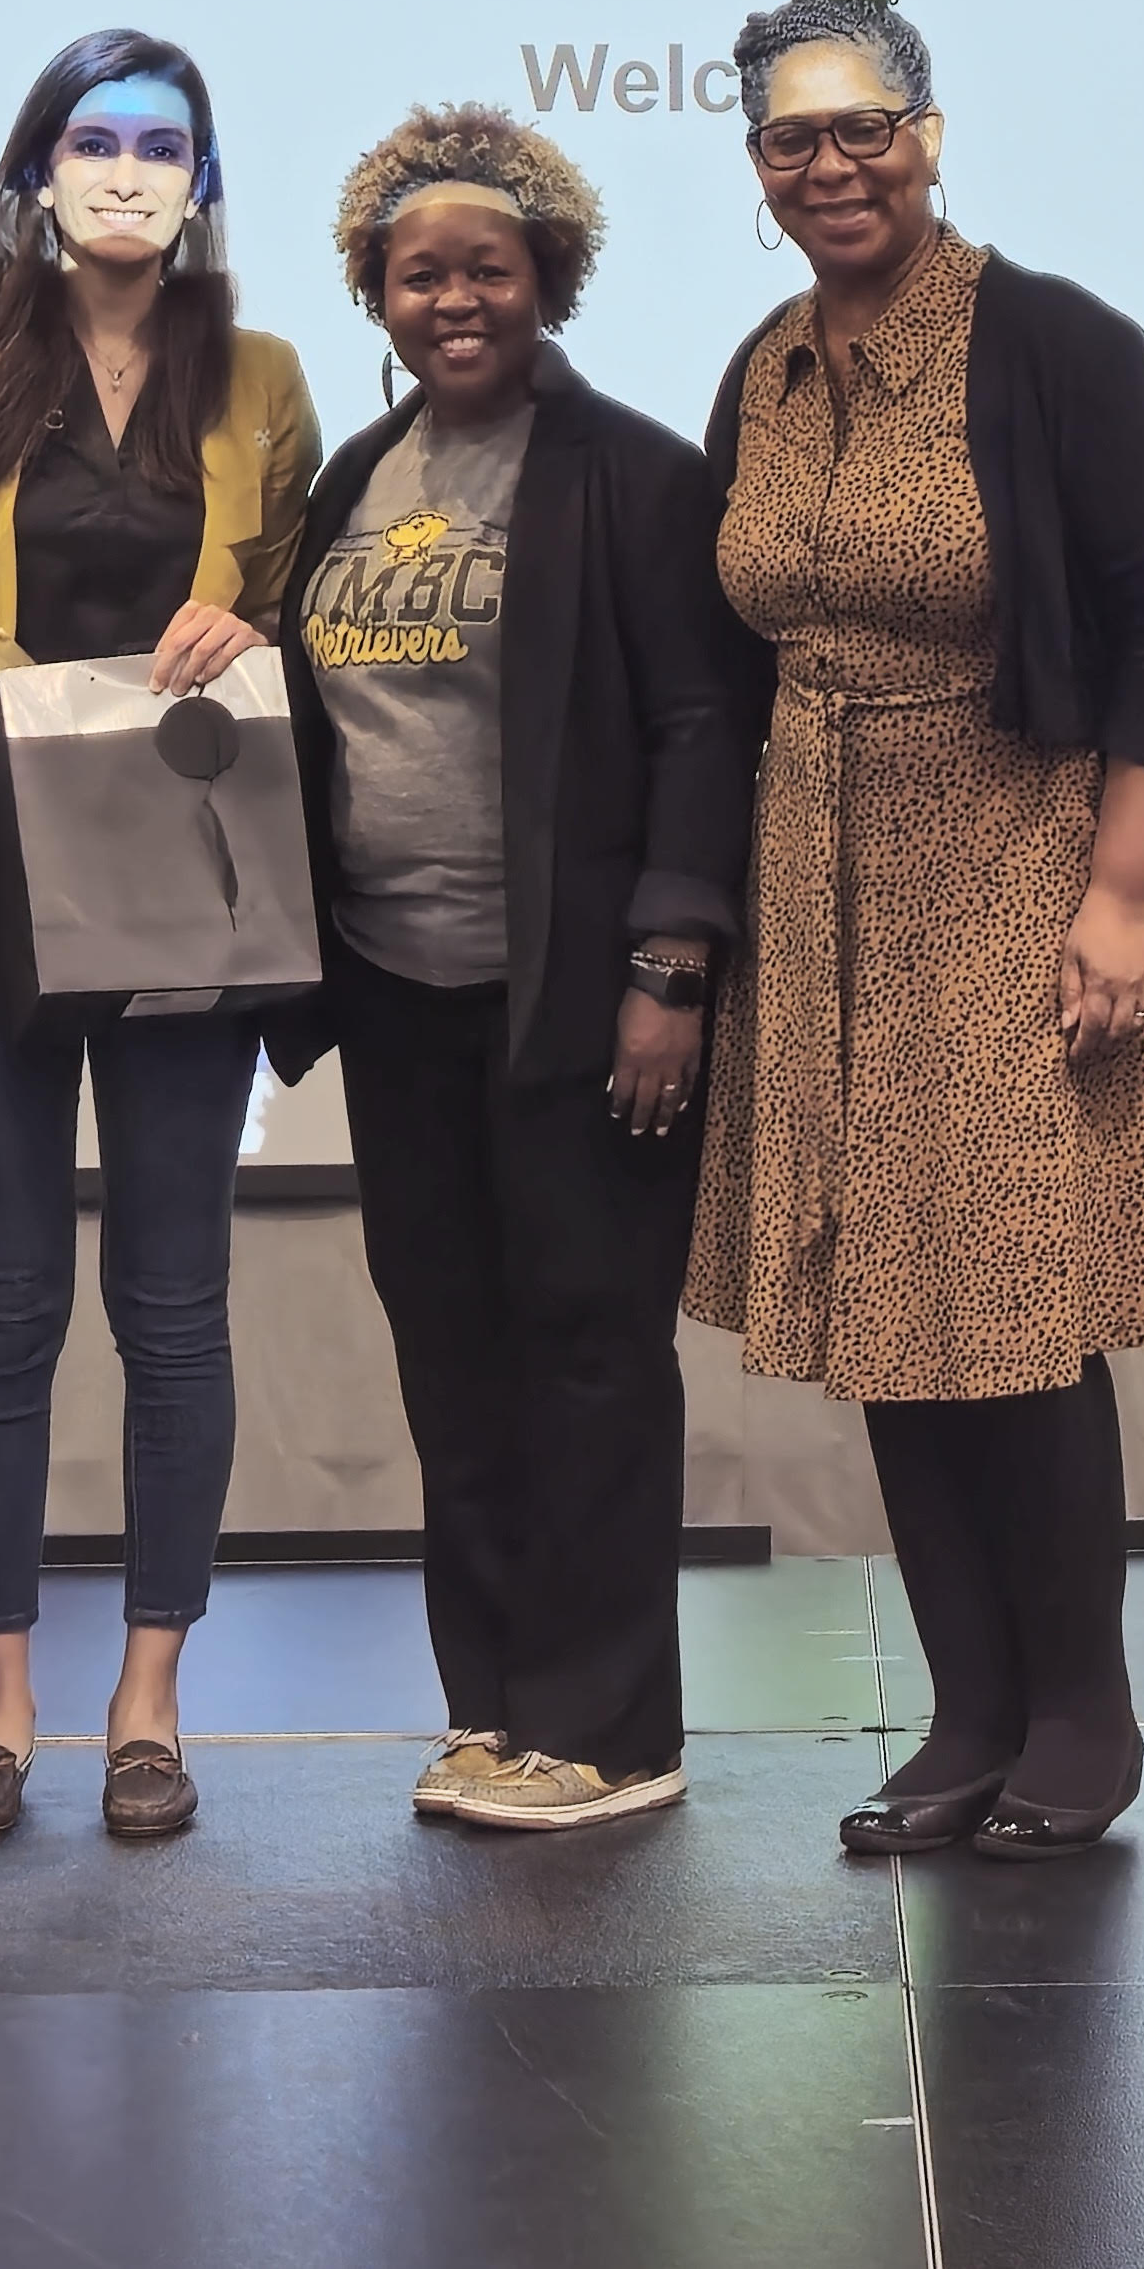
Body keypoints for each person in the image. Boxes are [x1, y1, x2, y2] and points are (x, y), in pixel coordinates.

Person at [682, 0, 1144, 1863]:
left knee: (1011, 1296)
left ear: (927, 137)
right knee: (888, 1306)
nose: (830, 164)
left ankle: (1083, 1709)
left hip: (1017, 852)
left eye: (864, 127)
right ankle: (970, 1713)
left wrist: (1127, 893)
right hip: (819, 867)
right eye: (791, 138)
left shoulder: (1051, 341)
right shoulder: (763, 368)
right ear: (756, 164)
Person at [275, 107, 752, 1837]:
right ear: (375, 294)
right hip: (395, 997)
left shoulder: (634, 474)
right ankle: (490, 1708)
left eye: (488, 268)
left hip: (579, 1001)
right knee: (452, 1354)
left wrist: (670, 967)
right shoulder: (352, 479)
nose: (455, 299)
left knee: (589, 1352)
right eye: (420, 276)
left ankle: (609, 1729)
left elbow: (702, 726)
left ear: (549, 276)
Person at [0, 31, 322, 1844]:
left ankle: (149, 1696)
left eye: (163, 145)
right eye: (93, 140)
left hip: (184, 872)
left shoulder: (264, 377)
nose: (128, 171)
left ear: (202, 183)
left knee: (173, 1299)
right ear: (35, 175)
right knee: (0, 1298)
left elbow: (298, 608)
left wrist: (252, 628)